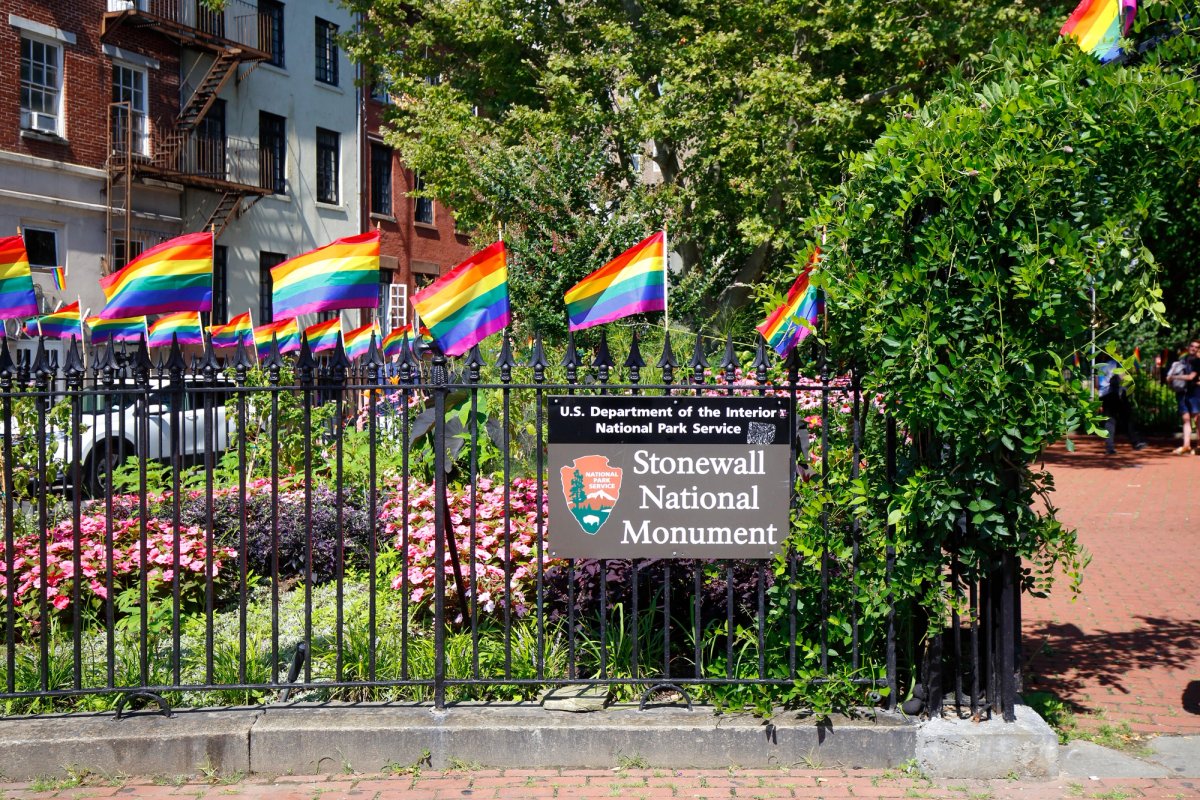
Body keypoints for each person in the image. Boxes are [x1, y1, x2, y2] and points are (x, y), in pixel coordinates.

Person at [1096, 355, 1146, 454]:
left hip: (1105, 395)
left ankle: (1109, 447)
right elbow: (1122, 378)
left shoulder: (1098, 366)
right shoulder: (1116, 364)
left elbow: (1097, 384)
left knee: (1109, 422)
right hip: (1118, 394)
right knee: (1127, 418)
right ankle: (1135, 442)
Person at [1171, 340, 1200, 454]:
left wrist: (1173, 377)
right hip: (1183, 392)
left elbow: (1190, 377)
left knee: (1198, 419)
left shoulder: (1198, 362)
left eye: (1196, 347)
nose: (1193, 348)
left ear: (1198, 349)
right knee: (1186, 419)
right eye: (1192, 346)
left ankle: (1199, 445)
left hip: (1195, 393)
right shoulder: (1183, 360)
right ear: (1188, 347)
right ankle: (1186, 445)